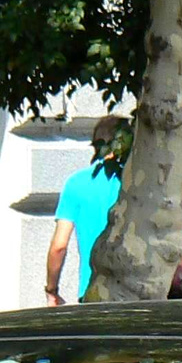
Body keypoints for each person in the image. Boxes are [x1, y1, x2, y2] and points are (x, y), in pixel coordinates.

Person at [45, 114, 123, 305]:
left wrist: (51, 290)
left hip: (91, 290)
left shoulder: (76, 183)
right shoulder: (134, 182)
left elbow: (59, 246)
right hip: (134, 290)